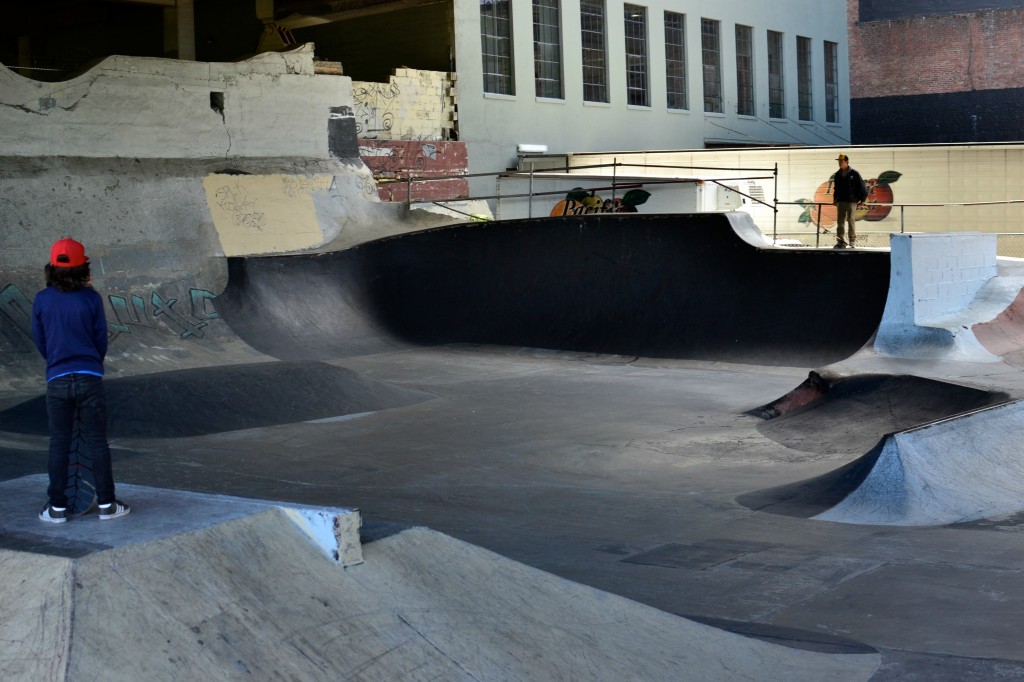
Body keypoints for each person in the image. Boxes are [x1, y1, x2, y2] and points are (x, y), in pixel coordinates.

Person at [31, 238, 130, 523]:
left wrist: (57, 363)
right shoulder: (92, 298)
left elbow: (41, 341)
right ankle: (108, 505)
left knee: (59, 443)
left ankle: (57, 508)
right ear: (83, 268)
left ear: (51, 268)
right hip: (89, 377)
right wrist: (90, 364)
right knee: (98, 442)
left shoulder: (42, 299)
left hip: (58, 378)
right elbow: (101, 339)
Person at [831, 153, 868, 249]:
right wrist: (835, 199)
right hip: (841, 201)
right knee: (840, 221)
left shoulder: (854, 173)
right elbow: (836, 188)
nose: (840, 163)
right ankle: (840, 241)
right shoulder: (837, 175)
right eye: (839, 162)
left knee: (851, 220)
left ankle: (852, 241)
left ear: (847, 162)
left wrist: (862, 199)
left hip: (852, 201)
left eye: (841, 162)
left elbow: (862, 187)